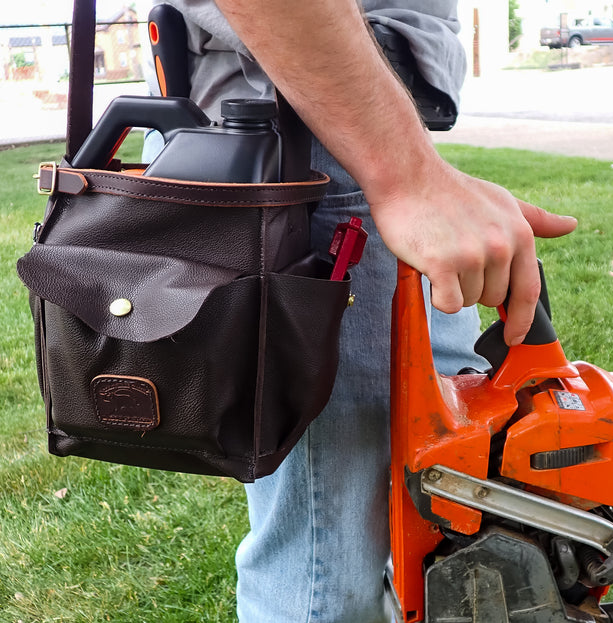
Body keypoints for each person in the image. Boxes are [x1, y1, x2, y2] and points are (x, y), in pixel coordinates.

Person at [146, 1, 578, 621]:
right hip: (313, 137)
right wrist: (403, 174)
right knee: (328, 564)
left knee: (431, 492)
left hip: (346, 121)